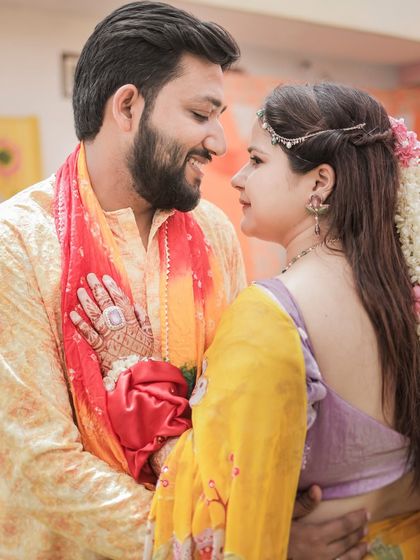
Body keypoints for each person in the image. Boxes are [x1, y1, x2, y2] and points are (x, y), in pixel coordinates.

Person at [0, 2, 371, 559]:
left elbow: (233, 422)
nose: (220, 144)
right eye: (201, 114)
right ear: (127, 107)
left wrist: (259, 514)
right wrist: (240, 540)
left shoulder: (215, 231)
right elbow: (36, 465)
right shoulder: (21, 243)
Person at [75, 82, 420, 559]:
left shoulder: (272, 316)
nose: (236, 178)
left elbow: (212, 502)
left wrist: (132, 370)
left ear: (320, 183)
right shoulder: (407, 300)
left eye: (257, 161)